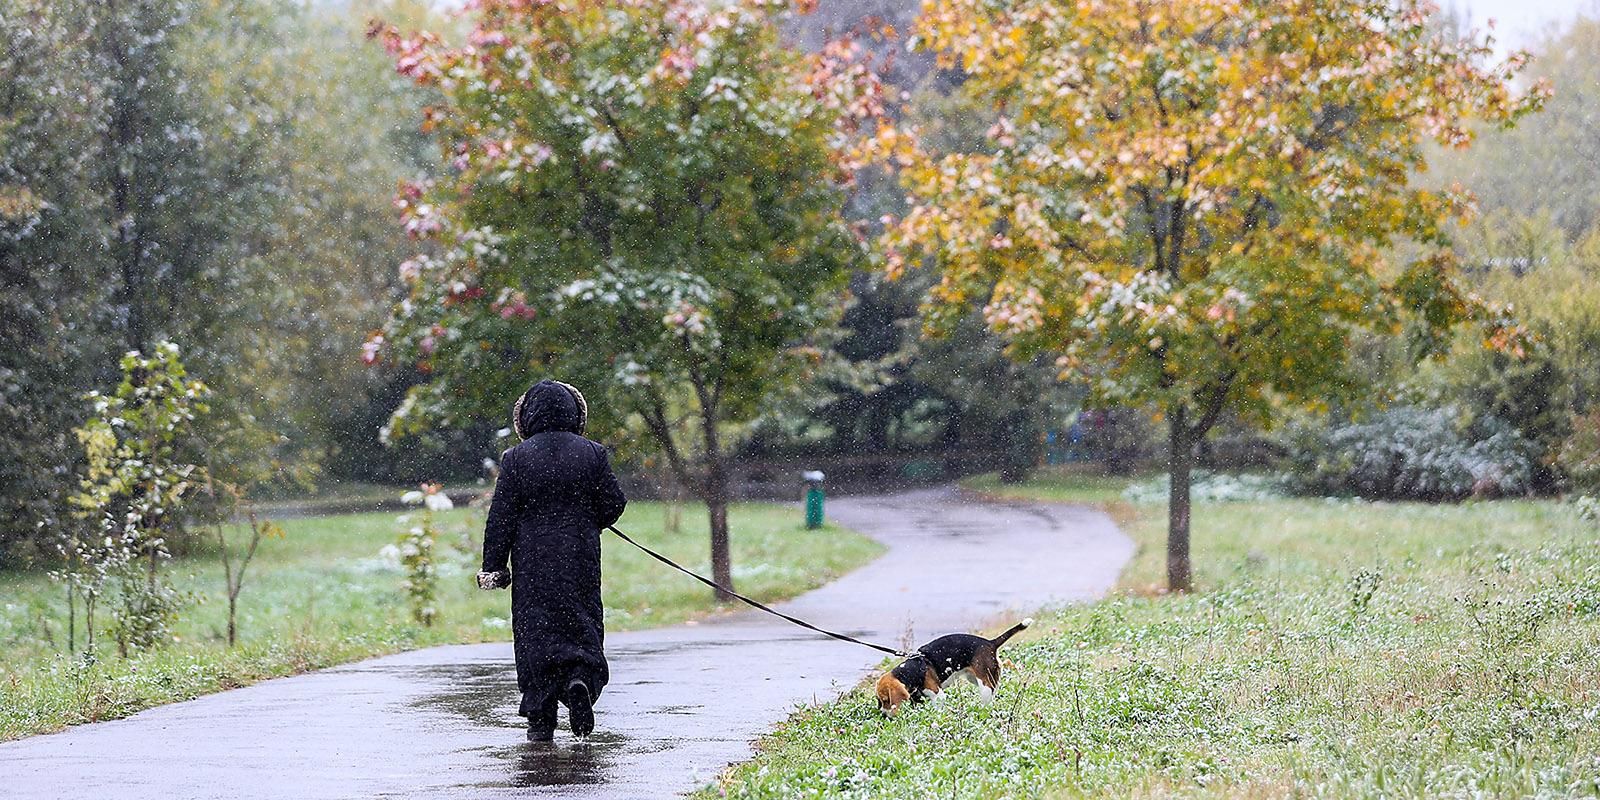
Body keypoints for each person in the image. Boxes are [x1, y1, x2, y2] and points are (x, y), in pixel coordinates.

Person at [477, 379, 627, 741]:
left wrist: (494, 565)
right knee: (581, 622)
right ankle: (580, 681)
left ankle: (540, 716)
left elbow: (501, 517)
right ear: (575, 413)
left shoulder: (516, 458)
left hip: (533, 563)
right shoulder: (592, 453)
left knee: (535, 633)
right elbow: (614, 503)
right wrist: (591, 518)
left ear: (526, 417)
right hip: (580, 558)